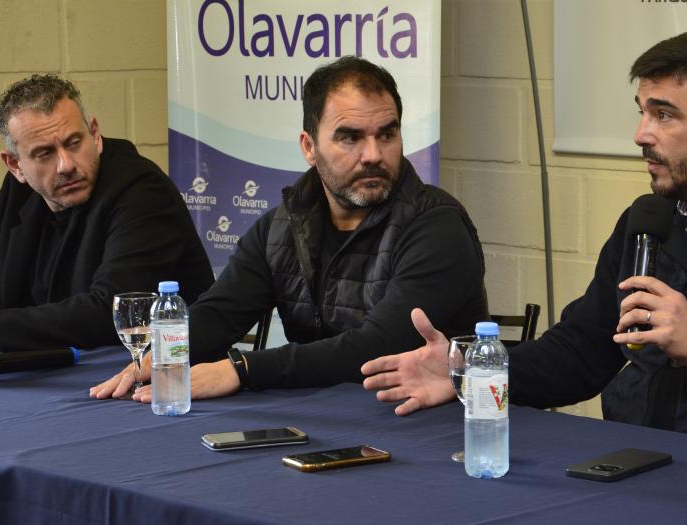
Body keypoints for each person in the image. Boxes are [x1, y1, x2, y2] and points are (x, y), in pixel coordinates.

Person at [361, 30, 687, 448]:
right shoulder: (649, 221)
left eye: (663, 115)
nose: (641, 134)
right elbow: (579, 354)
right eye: (642, 112)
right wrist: (471, 370)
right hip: (636, 466)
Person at [90, 56, 487, 401]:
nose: (373, 155)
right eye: (350, 138)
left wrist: (241, 369)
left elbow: (376, 348)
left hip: (425, 427)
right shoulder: (283, 226)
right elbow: (219, 313)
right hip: (319, 416)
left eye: (387, 134)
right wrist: (160, 357)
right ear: (308, 147)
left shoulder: (436, 226)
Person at [0, 74, 214, 352]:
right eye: (45, 154)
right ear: (15, 165)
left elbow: (109, 313)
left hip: (141, 375)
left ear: (95, 135)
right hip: (42, 372)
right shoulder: (18, 194)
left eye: (74, 143)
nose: (66, 165)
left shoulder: (142, 190)